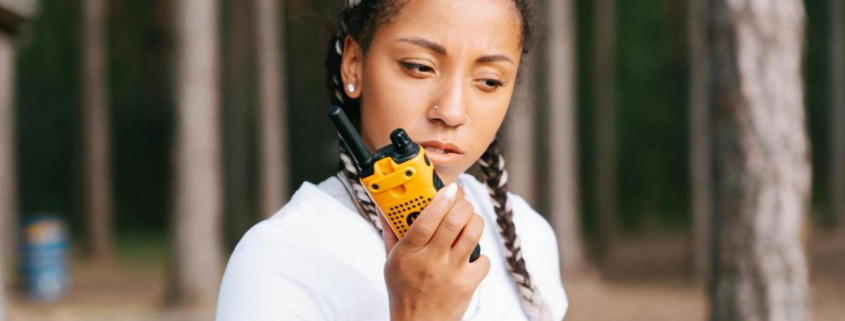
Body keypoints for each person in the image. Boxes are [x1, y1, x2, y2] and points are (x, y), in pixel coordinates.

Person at [216, 0, 567, 320]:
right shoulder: (279, 259)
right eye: (419, 67)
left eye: (489, 81)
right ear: (354, 65)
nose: (452, 111)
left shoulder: (528, 234)